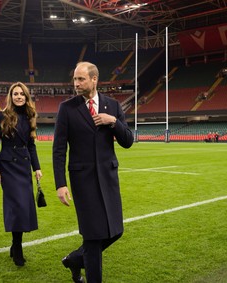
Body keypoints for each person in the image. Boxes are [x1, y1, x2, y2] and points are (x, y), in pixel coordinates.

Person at [53, 61, 134, 282]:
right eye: (75, 79)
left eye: (81, 79)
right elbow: (59, 149)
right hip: (83, 181)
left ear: (94, 79)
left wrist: (113, 122)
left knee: (116, 231)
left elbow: (128, 141)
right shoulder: (67, 108)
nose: (76, 83)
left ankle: (75, 260)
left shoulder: (113, 106)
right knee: (92, 236)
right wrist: (60, 184)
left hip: (108, 178)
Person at [0, 82, 43, 266]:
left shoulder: (30, 116)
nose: (19, 96)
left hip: (24, 167)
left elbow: (31, 146)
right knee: (17, 206)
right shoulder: (2, 115)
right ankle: (17, 246)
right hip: (8, 168)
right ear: (11, 97)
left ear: (26, 97)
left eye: (22, 94)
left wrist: (37, 168)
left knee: (23, 207)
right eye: (15, 94)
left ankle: (15, 244)